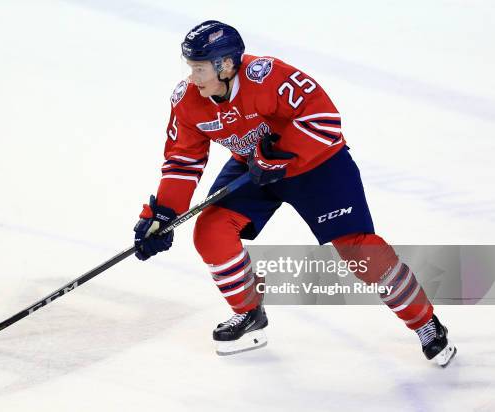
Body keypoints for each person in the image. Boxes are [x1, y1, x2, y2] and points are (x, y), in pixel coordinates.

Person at [133, 20, 456, 365]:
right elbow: (183, 160)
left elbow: (324, 119)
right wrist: (164, 214)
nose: (192, 78)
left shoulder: (267, 76)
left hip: (317, 165)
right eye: (191, 68)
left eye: (199, 69)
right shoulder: (187, 102)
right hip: (255, 167)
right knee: (211, 232)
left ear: (225, 64)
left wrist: (281, 151)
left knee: (360, 251)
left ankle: (425, 323)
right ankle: (249, 314)